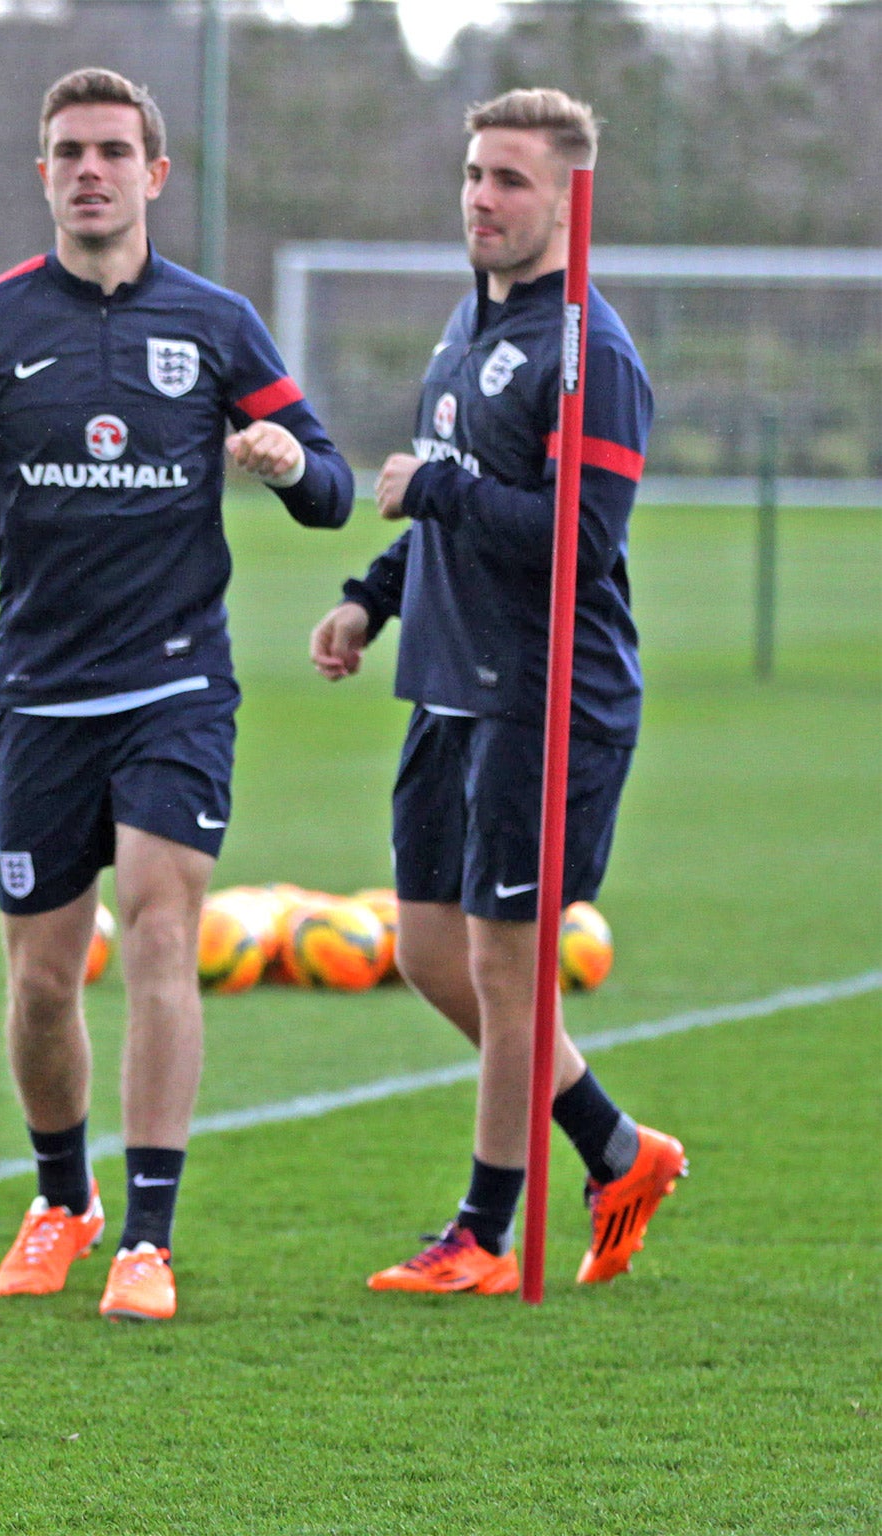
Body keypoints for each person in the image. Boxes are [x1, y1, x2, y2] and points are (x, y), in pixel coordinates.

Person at [0, 68, 354, 1322]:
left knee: (165, 930)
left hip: (176, 684)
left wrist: (286, 463)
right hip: (39, 694)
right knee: (41, 978)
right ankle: (62, 1199)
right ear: (44, 173)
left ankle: (148, 1238)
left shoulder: (217, 324)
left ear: (155, 174)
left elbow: (333, 483)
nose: (90, 170)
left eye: (114, 150)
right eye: (68, 150)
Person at [308, 88, 684, 1296]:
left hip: (545, 694)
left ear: (566, 199)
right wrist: (371, 595)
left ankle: (478, 1233)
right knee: (429, 955)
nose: (480, 197)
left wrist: (432, 495)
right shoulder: (467, 328)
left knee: (506, 970)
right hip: (446, 685)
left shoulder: (593, 351)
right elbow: (451, 503)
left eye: (510, 180)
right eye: (473, 174)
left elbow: (578, 538)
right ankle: (618, 1149)